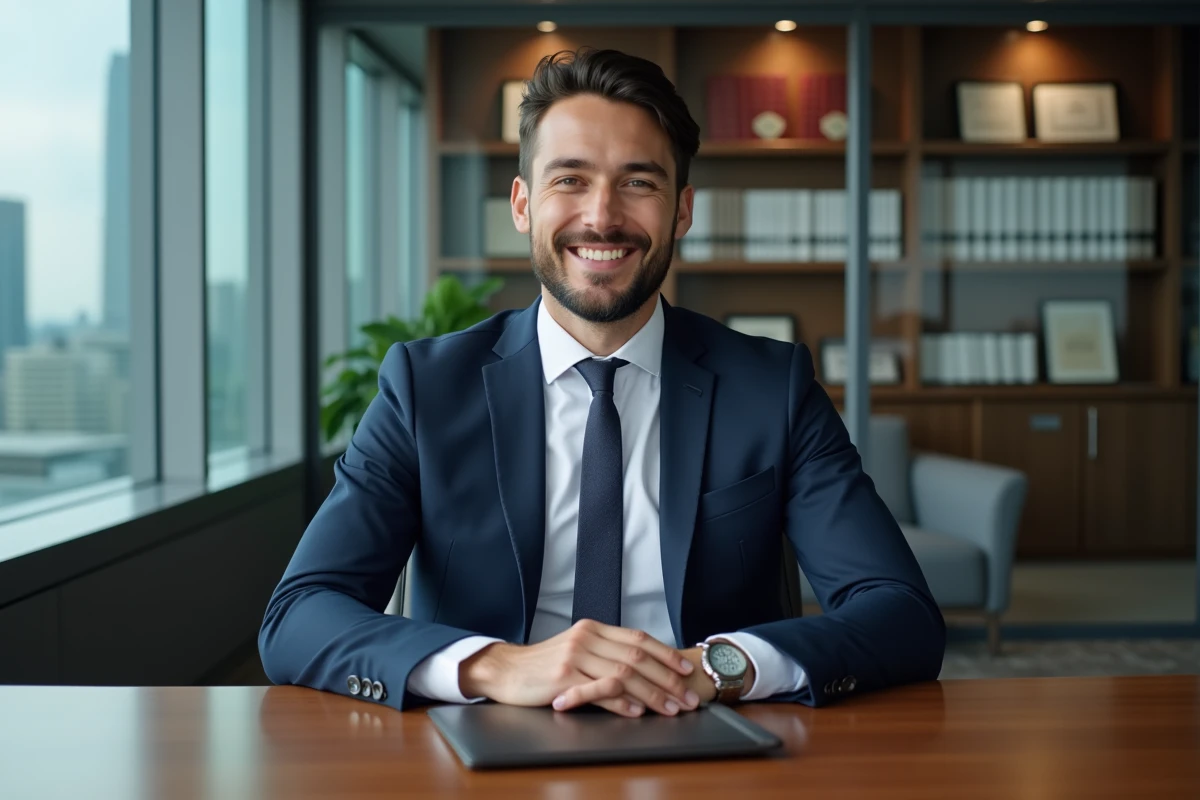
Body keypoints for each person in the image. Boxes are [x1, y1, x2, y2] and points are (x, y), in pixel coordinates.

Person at [259, 47, 944, 718]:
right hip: (485, 737)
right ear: (522, 204)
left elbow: (900, 611)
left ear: (682, 211)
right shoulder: (425, 388)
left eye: (639, 183)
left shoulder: (772, 388)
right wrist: (497, 666)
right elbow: (299, 613)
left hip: (709, 729)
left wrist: (714, 668)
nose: (602, 216)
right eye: (570, 179)